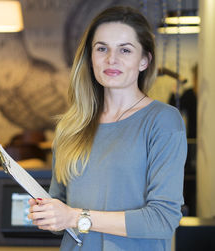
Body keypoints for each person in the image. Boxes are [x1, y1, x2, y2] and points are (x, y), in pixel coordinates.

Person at [28, 6, 187, 251]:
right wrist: (49, 215)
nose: (111, 59)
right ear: (90, 59)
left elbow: (162, 220)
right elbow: (61, 207)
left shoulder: (163, 121)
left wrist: (74, 217)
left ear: (144, 60)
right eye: (102, 48)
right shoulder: (71, 126)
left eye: (125, 50)